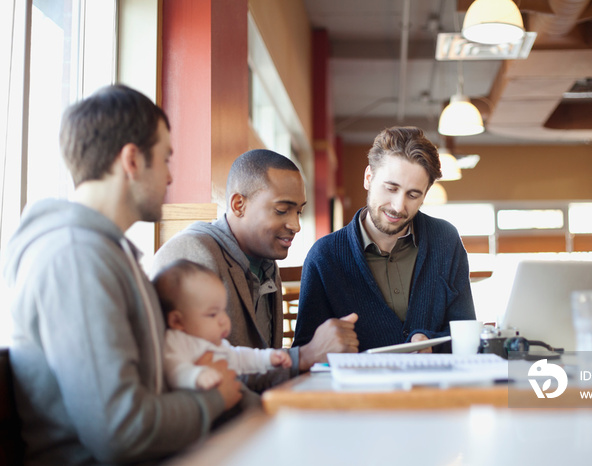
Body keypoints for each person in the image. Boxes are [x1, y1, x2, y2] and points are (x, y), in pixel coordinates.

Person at [3, 85, 242, 465]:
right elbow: (121, 432)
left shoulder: (109, 252)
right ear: (131, 160)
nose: (169, 177)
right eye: (165, 159)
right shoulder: (76, 258)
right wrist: (214, 400)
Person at [152, 149, 359, 392]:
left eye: (299, 211)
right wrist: (304, 355)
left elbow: (259, 361)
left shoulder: (267, 262)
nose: (296, 225)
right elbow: (200, 376)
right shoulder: (191, 255)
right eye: (282, 210)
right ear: (239, 204)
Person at [293, 126, 476, 353]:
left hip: (435, 384)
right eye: (391, 188)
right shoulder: (325, 255)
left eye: (413, 194)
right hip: (359, 387)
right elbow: (306, 351)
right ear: (368, 178)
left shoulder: (446, 241)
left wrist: (429, 342)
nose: (399, 206)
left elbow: (466, 333)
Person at [154, 259, 292, 391]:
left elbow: (239, 358)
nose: (224, 320)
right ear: (177, 321)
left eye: (223, 311)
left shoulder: (215, 344)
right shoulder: (176, 341)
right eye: (212, 314)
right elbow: (174, 369)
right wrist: (196, 376)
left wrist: (267, 358)